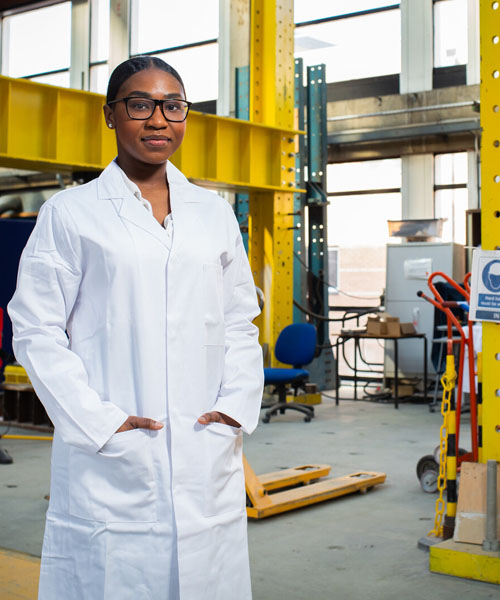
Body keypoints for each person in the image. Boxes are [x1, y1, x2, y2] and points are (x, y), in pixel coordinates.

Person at [8, 56, 264, 600]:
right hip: (113, 451)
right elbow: (35, 329)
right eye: (140, 104)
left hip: (204, 445)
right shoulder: (72, 213)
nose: (158, 120)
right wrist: (99, 423)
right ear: (110, 115)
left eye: (173, 106)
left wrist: (235, 408)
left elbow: (240, 319)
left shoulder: (213, 213)